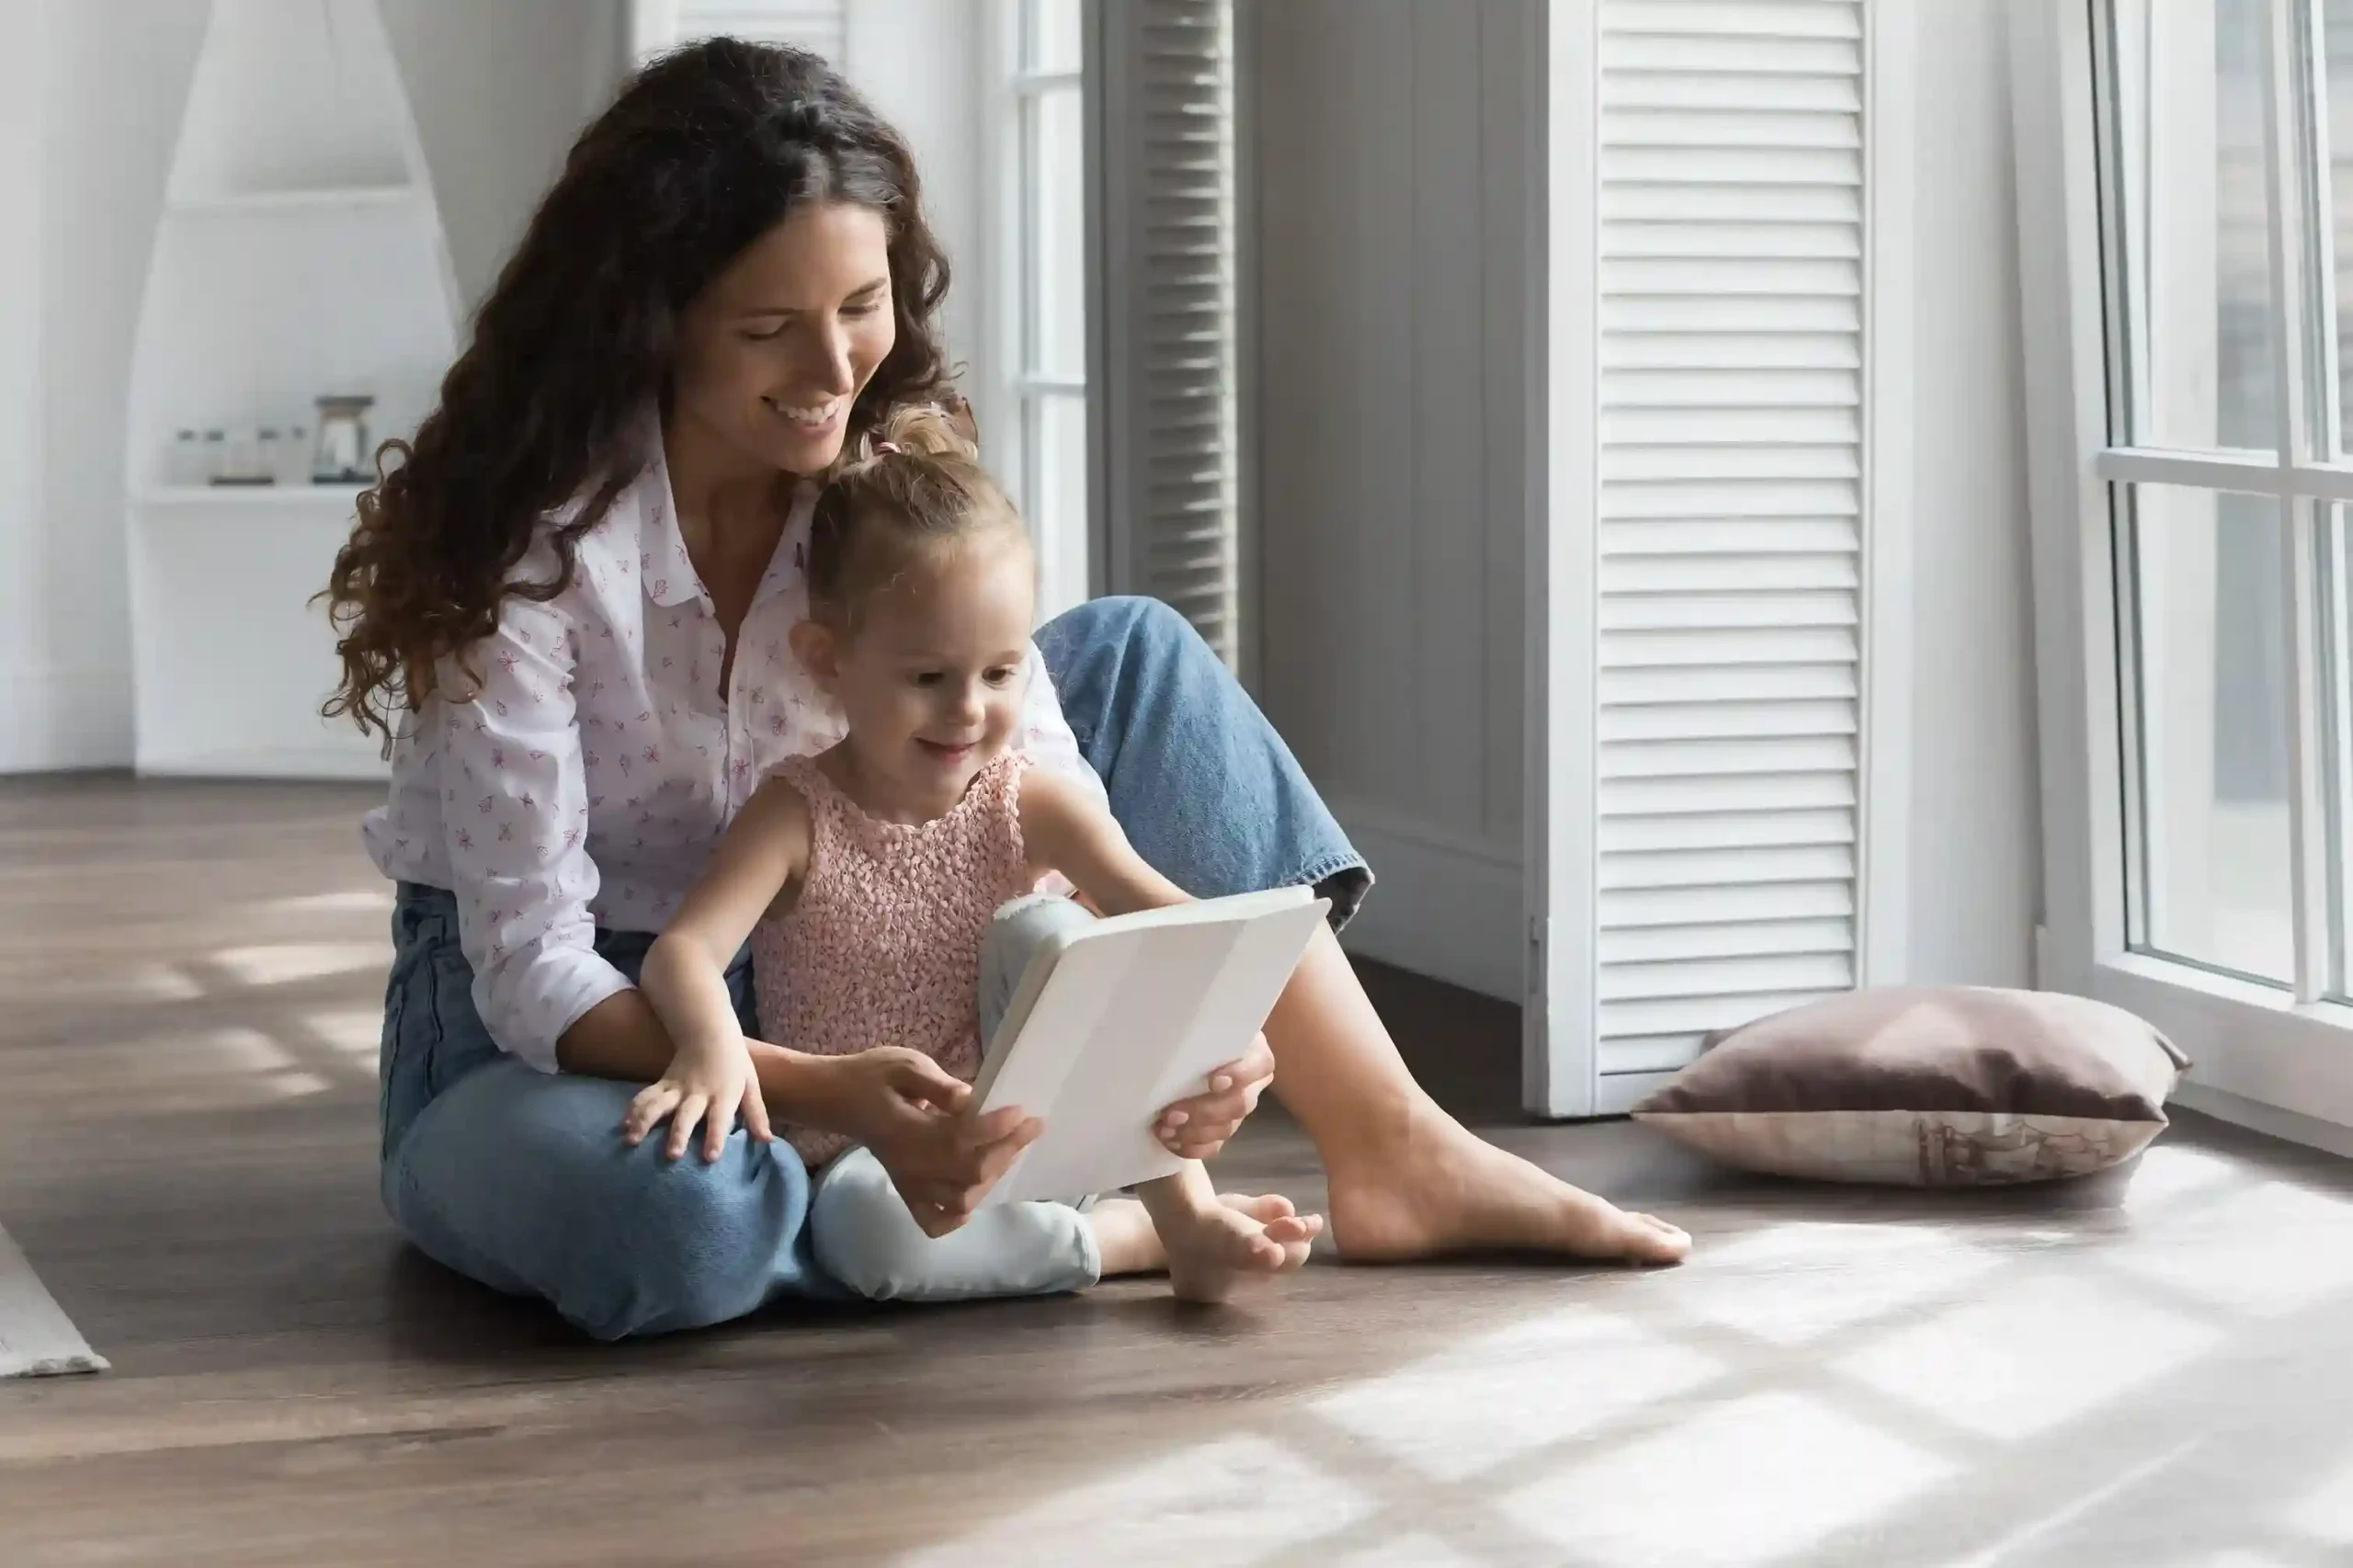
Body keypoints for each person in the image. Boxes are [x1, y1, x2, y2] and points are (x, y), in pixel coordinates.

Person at [324, 38, 1688, 1343]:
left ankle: (1392, 1145)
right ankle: (1015, 1222)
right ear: (655, 325)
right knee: (678, 1230)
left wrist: (1184, 1016)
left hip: (854, 944)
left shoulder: (876, 483)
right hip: (589, 1018)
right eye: (768, 331)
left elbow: (1022, 788)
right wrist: (833, 1091)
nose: (831, 373)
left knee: (1135, 656)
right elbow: (529, 975)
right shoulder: (538, 557)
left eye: (861, 310)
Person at [627, 404, 1324, 1305]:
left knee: (1053, 926)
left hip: (1045, 1136)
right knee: (862, 1241)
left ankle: (1180, 1208)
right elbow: (682, 951)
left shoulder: (1029, 799)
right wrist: (711, 1044)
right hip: (873, 1165)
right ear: (826, 659)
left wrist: (1232, 1017)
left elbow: (1169, 917)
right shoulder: (794, 812)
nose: (968, 710)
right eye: (928, 676)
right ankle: (1121, 1241)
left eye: (1000, 672)